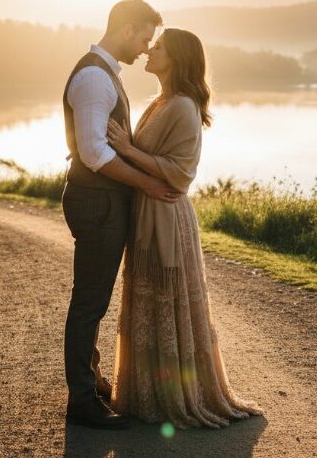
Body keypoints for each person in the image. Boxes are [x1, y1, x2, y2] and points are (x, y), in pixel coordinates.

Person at [107, 28, 263, 428]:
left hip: (167, 215)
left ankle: (176, 397)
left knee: (167, 301)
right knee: (149, 303)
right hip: (149, 209)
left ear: (175, 57)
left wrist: (126, 149)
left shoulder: (182, 106)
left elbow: (181, 173)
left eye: (157, 46)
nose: (149, 50)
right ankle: (146, 395)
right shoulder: (161, 101)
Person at [62, 0, 178, 430]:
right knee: (89, 302)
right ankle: (82, 401)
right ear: (127, 29)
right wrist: (148, 183)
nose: (147, 48)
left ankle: (87, 383)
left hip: (101, 200)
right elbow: (93, 151)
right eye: (145, 38)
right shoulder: (95, 76)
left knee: (94, 299)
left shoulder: (104, 72)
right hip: (99, 202)